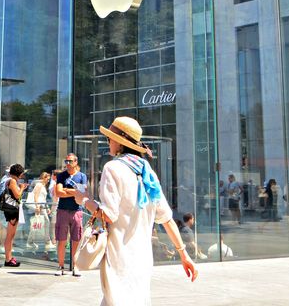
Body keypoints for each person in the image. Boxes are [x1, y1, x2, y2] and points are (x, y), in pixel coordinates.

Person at [74, 117, 197, 305]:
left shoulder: (112, 167)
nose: (108, 141)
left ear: (120, 142)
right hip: (142, 259)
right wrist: (183, 254)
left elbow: (108, 214)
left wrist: (84, 200)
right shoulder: (147, 171)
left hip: (119, 256)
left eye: (110, 137)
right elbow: (167, 219)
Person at [55, 153, 87, 277]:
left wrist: (67, 190)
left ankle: (75, 266)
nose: (67, 164)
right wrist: (74, 192)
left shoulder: (82, 176)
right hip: (62, 210)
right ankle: (60, 266)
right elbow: (58, 192)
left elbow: (83, 193)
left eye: (70, 161)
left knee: (76, 240)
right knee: (61, 240)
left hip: (76, 211)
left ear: (76, 162)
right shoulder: (61, 176)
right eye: (66, 161)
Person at [1, 163, 28, 267]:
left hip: (11, 209)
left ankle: (9, 257)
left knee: (10, 235)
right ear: (19, 174)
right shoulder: (12, 181)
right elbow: (17, 195)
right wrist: (21, 187)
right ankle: (8, 259)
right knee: (10, 236)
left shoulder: (8, 179)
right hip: (12, 210)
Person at [27, 171, 55, 252]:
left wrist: (47, 207)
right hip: (39, 206)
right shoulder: (39, 185)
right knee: (43, 222)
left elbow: (43, 198)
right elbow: (35, 196)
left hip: (42, 206)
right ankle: (47, 242)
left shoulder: (43, 186)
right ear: (43, 178)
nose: (48, 180)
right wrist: (36, 206)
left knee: (39, 223)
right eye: (47, 179)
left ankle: (31, 241)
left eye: (49, 179)